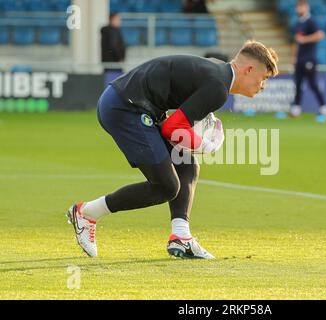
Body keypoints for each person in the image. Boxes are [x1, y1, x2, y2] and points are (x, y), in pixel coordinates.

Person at [66, 41, 278, 259]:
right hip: (125, 108)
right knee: (166, 186)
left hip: (127, 103)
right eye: (264, 78)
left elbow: (179, 117)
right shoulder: (218, 87)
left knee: (187, 165)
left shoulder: (219, 74)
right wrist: (205, 145)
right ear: (249, 69)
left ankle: (181, 237)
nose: (263, 85)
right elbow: (172, 128)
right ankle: (86, 213)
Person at [290, 0, 326, 117]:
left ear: (306, 7)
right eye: (297, 7)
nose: (298, 9)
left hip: (309, 59)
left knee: (313, 84)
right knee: (297, 84)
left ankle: (324, 107)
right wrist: (294, 58)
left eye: (301, 6)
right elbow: (297, 42)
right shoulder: (298, 24)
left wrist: (305, 39)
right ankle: (296, 108)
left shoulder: (311, 22)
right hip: (300, 59)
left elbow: (320, 35)